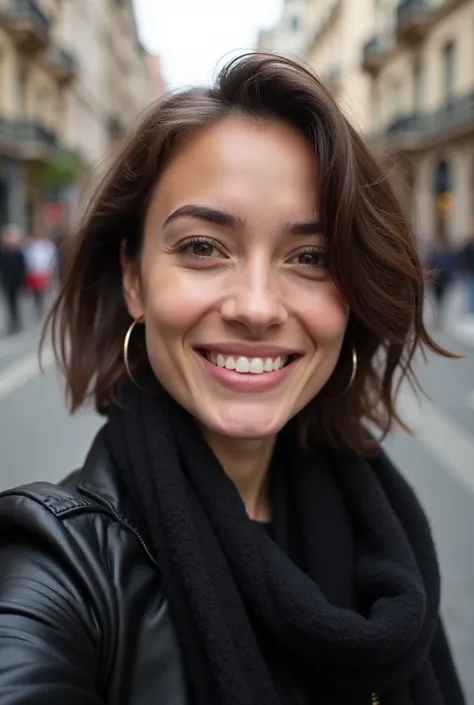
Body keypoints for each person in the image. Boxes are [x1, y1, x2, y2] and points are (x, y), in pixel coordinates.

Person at [0, 54, 465, 705]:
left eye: (311, 257)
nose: (256, 305)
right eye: (201, 246)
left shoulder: (386, 544)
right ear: (134, 278)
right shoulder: (60, 567)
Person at [0, 224, 26, 334]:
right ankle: (12, 320)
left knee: (14, 301)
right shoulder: (3, 252)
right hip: (7, 280)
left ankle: (16, 320)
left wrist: (22, 280)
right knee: (9, 302)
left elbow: (22, 267)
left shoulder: (18, 252)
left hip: (16, 280)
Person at [24, 231, 56, 317]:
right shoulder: (30, 246)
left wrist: (51, 269)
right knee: (35, 289)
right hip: (34, 271)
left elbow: (51, 257)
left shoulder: (47, 246)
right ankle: (38, 303)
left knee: (41, 288)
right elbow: (28, 258)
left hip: (43, 271)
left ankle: (40, 304)